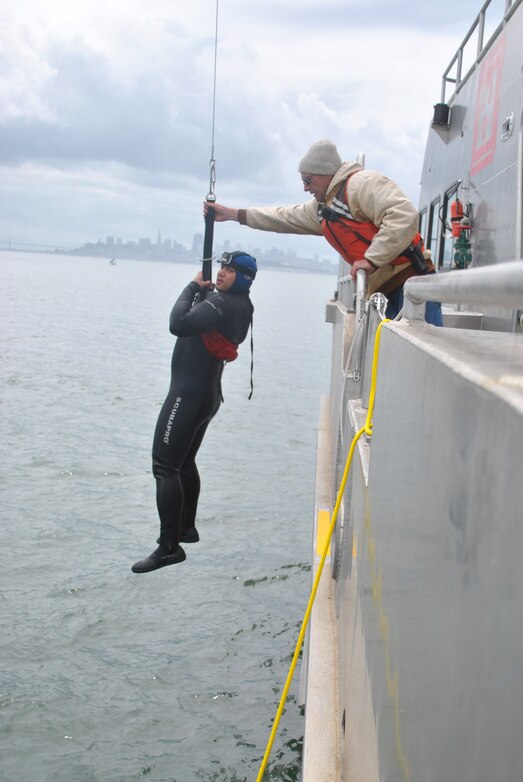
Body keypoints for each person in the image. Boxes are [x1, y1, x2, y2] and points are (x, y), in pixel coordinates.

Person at [204, 139, 443, 325]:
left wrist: (371, 259)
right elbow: (283, 217)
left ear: (326, 172)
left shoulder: (361, 184)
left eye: (308, 180)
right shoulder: (323, 208)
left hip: (412, 285)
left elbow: (403, 214)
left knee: (429, 361)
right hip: (384, 293)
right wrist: (234, 214)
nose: (305, 188)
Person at [131, 251, 257, 574]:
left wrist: (191, 287)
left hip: (186, 396)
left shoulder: (221, 305)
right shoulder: (241, 305)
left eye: (230, 270)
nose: (222, 273)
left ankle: (169, 547)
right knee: (184, 462)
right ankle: (187, 528)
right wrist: (208, 293)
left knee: (164, 465)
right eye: (222, 267)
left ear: (243, 278)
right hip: (208, 396)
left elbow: (178, 323)